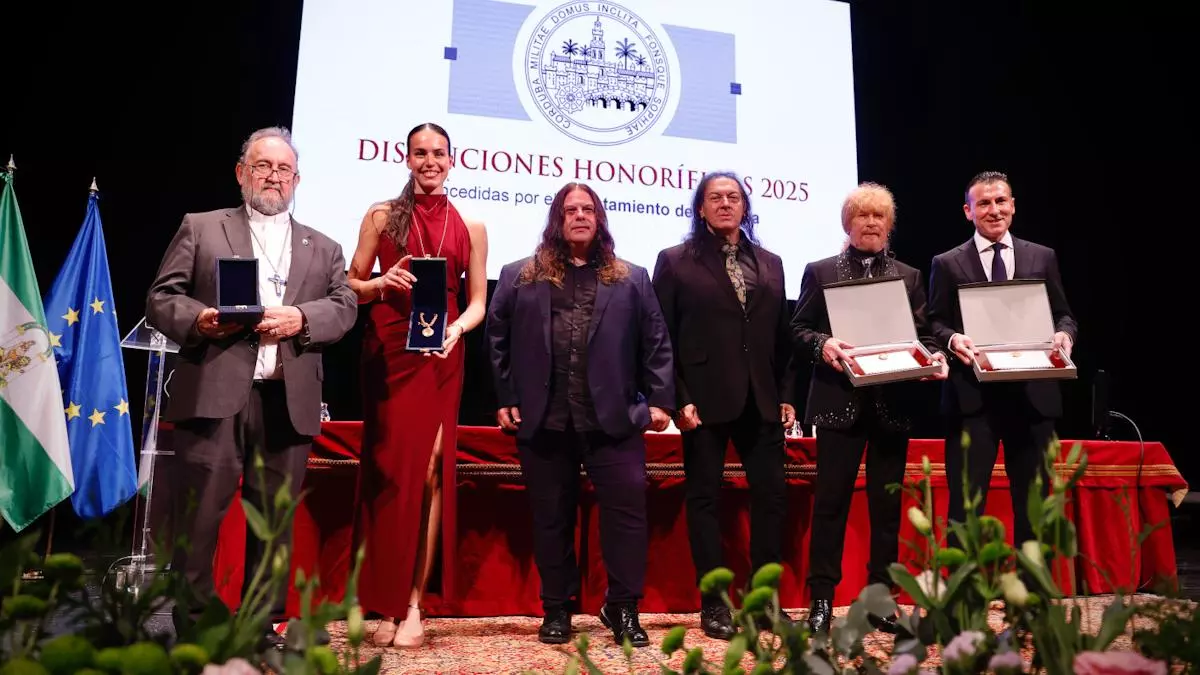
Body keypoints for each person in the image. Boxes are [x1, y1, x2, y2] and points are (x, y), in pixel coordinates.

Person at [145, 126, 358, 646]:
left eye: (284, 169)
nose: (273, 177)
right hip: (214, 396)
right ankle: (195, 624)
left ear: (297, 180)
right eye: (263, 166)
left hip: (287, 400)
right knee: (200, 518)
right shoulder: (201, 227)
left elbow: (345, 306)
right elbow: (162, 298)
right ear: (242, 173)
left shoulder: (324, 246)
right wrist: (200, 320)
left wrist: (301, 319)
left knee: (273, 521)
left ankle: (262, 623)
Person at [486, 182, 674, 647]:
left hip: (615, 419)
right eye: (570, 210)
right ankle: (557, 608)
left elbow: (656, 341)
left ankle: (623, 607)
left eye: (588, 209)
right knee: (551, 517)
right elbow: (497, 339)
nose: (580, 216)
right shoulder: (518, 275)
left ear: (600, 218)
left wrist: (659, 400)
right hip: (543, 417)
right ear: (557, 219)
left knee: (627, 516)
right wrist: (507, 396)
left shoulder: (632, 278)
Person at [347, 122, 489, 648]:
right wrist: (380, 283)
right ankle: (381, 601)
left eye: (439, 153)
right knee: (389, 474)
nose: (430, 161)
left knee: (429, 472)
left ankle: (412, 605)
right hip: (388, 353)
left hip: (440, 355)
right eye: (420, 153)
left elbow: (478, 302)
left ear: (452, 160)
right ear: (406, 159)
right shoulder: (381, 216)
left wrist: (457, 329)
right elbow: (350, 285)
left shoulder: (470, 225)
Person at [790, 182, 948, 634]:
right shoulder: (821, 271)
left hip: (891, 406)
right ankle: (821, 602)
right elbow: (798, 329)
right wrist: (823, 344)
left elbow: (925, 337)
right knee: (830, 506)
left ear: (889, 225)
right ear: (848, 223)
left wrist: (933, 358)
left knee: (886, 510)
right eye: (863, 215)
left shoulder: (909, 276)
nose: (871, 223)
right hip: (838, 403)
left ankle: (880, 601)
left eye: (879, 216)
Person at [651, 171, 796, 640]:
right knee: (704, 500)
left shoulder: (771, 262)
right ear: (701, 208)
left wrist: (787, 394)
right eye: (715, 197)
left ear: (745, 207)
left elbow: (782, 337)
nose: (725, 203)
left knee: (772, 498)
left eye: (733, 197)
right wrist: (678, 398)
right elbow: (661, 337)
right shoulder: (675, 261)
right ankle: (713, 604)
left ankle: (764, 601)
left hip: (762, 399)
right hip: (703, 400)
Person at [927, 171, 1077, 551]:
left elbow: (1064, 314)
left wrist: (1065, 335)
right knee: (964, 509)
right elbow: (935, 323)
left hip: (1033, 398)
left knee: (1035, 508)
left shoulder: (1042, 256)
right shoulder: (946, 263)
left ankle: (1032, 587)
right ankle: (964, 589)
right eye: (984, 203)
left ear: (1013, 206)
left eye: (1000, 201)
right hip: (972, 401)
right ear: (968, 211)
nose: (994, 210)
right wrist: (953, 339)